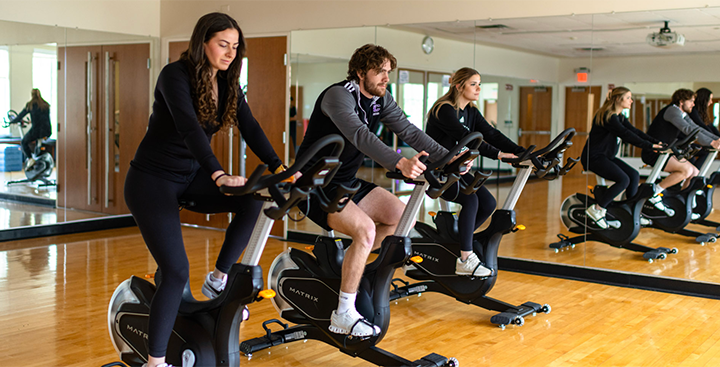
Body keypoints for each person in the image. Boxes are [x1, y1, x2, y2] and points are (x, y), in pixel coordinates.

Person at [123, 13, 295, 367]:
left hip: (189, 176)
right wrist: (217, 173)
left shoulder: (229, 82)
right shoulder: (175, 75)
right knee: (175, 271)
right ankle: (155, 363)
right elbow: (189, 129)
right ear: (203, 43)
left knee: (253, 199)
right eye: (223, 44)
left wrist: (281, 168)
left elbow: (250, 126)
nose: (230, 53)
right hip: (151, 181)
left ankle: (219, 278)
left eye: (235, 47)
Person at [296, 44, 448, 337]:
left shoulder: (381, 100)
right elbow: (360, 135)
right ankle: (342, 313)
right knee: (365, 231)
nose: (385, 78)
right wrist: (400, 162)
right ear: (359, 71)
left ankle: (352, 274)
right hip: (314, 185)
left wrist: (448, 156)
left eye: (388, 72)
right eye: (379, 72)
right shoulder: (338, 95)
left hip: (347, 181)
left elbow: (409, 131)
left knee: (403, 218)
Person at [425, 67, 522, 275]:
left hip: (455, 168)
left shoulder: (470, 111)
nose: (478, 89)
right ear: (459, 86)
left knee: (488, 203)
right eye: (473, 84)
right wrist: (498, 155)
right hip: (436, 170)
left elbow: (491, 134)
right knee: (471, 200)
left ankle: (459, 241)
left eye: (479, 84)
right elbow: (467, 139)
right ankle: (465, 257)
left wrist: (520, 152)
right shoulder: (444, 109)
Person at [580, 87, 663, 229]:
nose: (631, 101)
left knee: (634, 175)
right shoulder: (608, 116)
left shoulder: (619, 117)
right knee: (623, 180)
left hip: (607, 156)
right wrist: (649, 146)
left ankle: (630, 211)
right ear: (618, 99)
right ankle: (597, 209)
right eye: (628, 98)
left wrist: (655, 142)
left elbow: (634, 131)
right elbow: (626, 134)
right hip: (594, 158)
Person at [641, 88, 720, 216]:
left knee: (694, 172)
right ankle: (654, 192)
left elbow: (696, 128)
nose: (693, 105)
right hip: (654, 152)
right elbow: (687, 129)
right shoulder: (672, 111)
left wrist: (716, 139)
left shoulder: (682, 113)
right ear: (681, 101)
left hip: (665, 152)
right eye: (691, 101)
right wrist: (712, 143)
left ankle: (683, 204)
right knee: (686, 171)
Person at [8, 88, 52, 169]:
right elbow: (42, 119)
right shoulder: (45, 104)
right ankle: (38, 161)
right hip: (47, 131)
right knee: (38, 143)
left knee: (24, 142)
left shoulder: (31, 105)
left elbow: (20, 116)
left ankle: (30, 159)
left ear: (32, 95)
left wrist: (12, 121)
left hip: (37, 131)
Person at [688, 88, 719, 168]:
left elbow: (710, 126)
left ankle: (694, 177)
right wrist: (714, 140)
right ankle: (694, 178)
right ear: (704, 99)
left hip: (690, 142)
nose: (711, 102)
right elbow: (702, 127)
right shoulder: (693, 111)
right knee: (706, 152)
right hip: (685, 143)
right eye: (710, 99)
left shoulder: (701, 113)